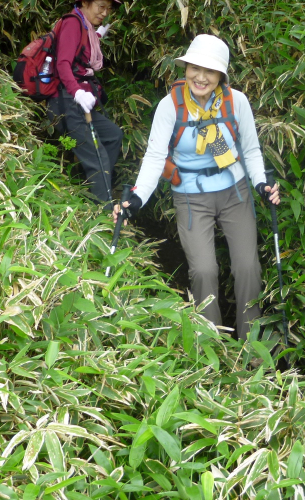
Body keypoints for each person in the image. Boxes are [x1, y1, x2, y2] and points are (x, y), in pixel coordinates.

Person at [114, 34, 280, 340]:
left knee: (248, 268)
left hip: (235, 191)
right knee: (203, 271)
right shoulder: (170, 107)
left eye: (210, 71)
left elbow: (251, 151)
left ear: (221, 76)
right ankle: (213, 345)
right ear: (186, 67)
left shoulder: (236, 102)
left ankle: (251, 346)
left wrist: (261, 183)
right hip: (190, 195)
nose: (201, 77)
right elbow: (154, 157)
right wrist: (136, 199)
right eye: (195, 68)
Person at [47, 0, 123, 202]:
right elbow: (63, 64)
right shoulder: (73, 22)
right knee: (97, 159)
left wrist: (98, 35)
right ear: (86, 3)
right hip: (67, 101)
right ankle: (103, 211)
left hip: (81, 102)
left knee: (113, 135)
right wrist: (77, 93)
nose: (105, 13)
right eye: (101, 6)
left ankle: (91, 190)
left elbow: (81, 51)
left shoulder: (85, 27)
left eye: (108, 8)